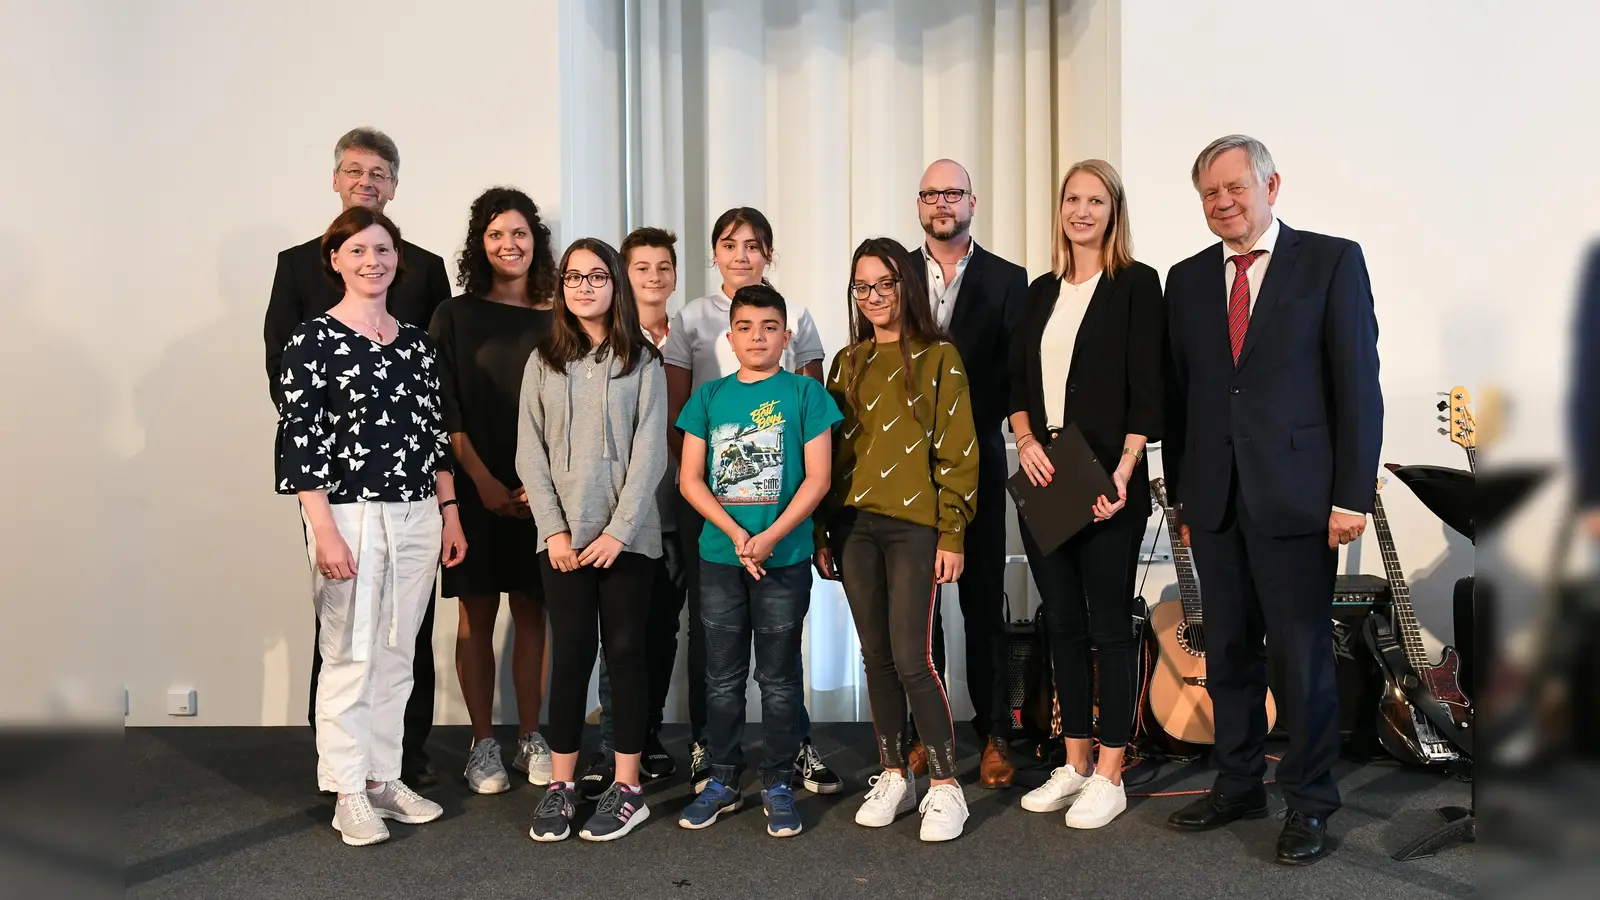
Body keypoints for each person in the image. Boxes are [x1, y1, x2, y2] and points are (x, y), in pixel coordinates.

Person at [1163, 135, 1382, 865]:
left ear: (1271, 186)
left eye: (1236, 187)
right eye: (1210, 193)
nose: (1223, 202)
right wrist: (1184, 502)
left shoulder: (1331, 261)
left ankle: (1310, 802)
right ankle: (1238, 783)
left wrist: (1351, 496)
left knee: (1300, 659)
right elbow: (1182, 398)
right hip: (1215, 501)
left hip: (1298, 499)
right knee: (1227, 652)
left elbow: (1357, 386)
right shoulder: (1186, 279)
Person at [264, 127, 452, 788]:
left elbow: (433, 420)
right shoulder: (308, 320)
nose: (373, 261)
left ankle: (391, 772)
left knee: (400, 648)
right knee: (348, 648)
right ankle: (346, 784)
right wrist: (322, 515)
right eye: (353, 169)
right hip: (343, 502)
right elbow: (296, 414)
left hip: (414, 507)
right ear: (335, 260)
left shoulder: (417, 325)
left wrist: (448, 509)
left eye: (378, 172)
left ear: (393, 186)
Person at [660, 207, 841, 796]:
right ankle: (716, 761)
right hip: (718, 523)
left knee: (781, 668)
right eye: (729, 244)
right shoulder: (694, 328)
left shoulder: (801, 368)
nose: (741, 254)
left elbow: (814, 463)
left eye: (754, 244)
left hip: (782, 532)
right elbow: (683, 440)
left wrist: (773, 534)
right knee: (718, 659)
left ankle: (787, 763)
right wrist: (733, 528)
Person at [1008, 160, 1164, 829]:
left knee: (1109, 629)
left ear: (1114, 211)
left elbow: (1148, 388)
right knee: (1062, 625)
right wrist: (1024, 440)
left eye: (1095, 200)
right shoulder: (1040, 292)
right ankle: (1074, 763)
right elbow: (1016, 383)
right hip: (1046, 476)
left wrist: (1126, 471)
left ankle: (1110, 772)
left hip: (1107, 481)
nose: (1081, 210)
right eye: (1072, 198)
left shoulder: (1137, 285)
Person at [816, 236, 978, 842]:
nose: (874, 296)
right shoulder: (846, 362)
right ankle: (893, 772)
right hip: (853, 526)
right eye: (862, 286)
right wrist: (822, 529)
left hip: (914, 527)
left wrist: (952, 533)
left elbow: (958, 452)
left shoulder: (940, 358)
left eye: (885, 283)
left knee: (913, 657)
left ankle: (945, 784)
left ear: (906, 285)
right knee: (875, 656)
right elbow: (829, 456)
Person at [518, 238, 668, 843]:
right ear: (562, 287)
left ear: (615, 285)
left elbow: (652, 452)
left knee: (626, 655)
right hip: (562, 543)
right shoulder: (543, 360)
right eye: (573, 277)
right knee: (572, 657)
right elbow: (529, 451)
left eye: (597, 276)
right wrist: (553, 529)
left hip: (627, 542)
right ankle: (561, 785)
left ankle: (628, 788)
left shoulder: (644, 361)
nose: (584, 286)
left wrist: (618, 531)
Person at [429, 187, 557, 794]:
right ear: (480, 244)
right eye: (497, 234)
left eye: (520, 233)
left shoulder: (560, 313)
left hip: (544, 489)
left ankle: (531, 736)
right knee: (475, 613)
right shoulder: (454, 315)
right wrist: (479, 481)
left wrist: (543, 482)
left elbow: (571, 404)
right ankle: (482, 744)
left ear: (537, 241)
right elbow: (444, 406)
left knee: (534, 611)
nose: (510, 244)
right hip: (472, 485)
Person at [906, 160, 1028, 789]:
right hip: (905, 468)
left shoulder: (1008, 278)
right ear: (919, 203)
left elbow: (1016, 373)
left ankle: (995, 735)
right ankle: (926, 735)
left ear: (972, 202)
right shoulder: (894, 272)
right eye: (931, 193)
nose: (941, 203)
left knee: (983, 604)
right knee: (917, 610)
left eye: (952, 192)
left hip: (978, 458)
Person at [582, 227, 686, 798]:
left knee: (662, 633)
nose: (653, 276)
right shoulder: (607, 340)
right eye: (641, 267)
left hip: (675, 509)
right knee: (619, 639)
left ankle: (646, 736)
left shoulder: (691, 334)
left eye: (663, 266)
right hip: (620, 519)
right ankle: (611, 745)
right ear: (623, 275)